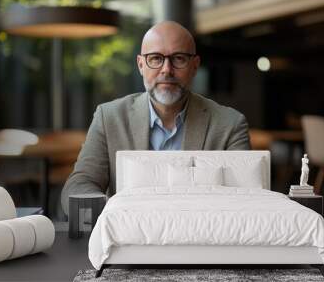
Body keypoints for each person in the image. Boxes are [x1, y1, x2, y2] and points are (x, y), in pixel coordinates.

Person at [61, 21, 250, 215]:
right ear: (141, 65)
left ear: (195, 66)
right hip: (128, 238)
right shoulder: (109, 117)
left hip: (201, 239)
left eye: (178, 58)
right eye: (155, 58)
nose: (166, 69)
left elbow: (246, 199)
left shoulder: (230, 125)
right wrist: (119, 214)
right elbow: (78, 188)